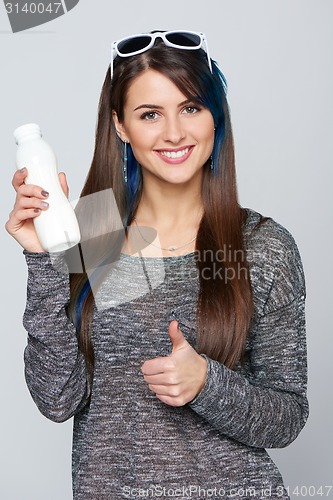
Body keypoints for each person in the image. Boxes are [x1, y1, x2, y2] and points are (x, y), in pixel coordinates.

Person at [6, 31, 308, 499]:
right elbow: (58, 399)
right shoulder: (98, 231)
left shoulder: (258, 247)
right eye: (150, 114)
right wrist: (41, 259)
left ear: (215, 116)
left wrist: (208, 383)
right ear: (121, 126)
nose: (174, 133)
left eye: (191, 108)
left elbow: (287, 416)